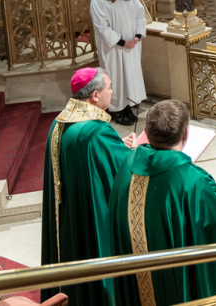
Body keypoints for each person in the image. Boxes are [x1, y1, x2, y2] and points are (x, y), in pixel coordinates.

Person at [109, 100, 216, 306]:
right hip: (174, 283)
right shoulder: (192, 180)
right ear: (185, 134)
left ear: (147, 132)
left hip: (133, 272)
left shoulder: (127, 165)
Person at [42, 67, 135, 306]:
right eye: (109, 88)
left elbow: (86, 155)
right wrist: (136, 151)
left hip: (68, 214)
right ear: (94, 96)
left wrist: (116, 145)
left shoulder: (58, 122)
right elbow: (123, 169)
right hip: (89, 216)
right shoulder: (96, 130)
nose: (112, 92)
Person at [91, 0, 147, 126]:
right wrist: (121, 41)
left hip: (131, 45)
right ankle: (116, 109)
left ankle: (127, 105)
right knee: (116, 77)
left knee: (130, 75)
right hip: (113, 48)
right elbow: (101, 25)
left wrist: (137, 36)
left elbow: (140, 14)